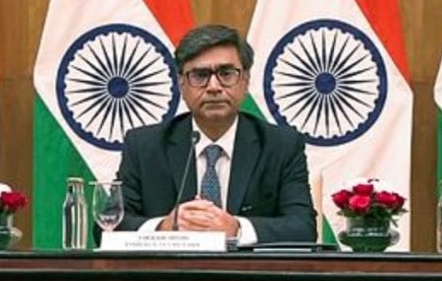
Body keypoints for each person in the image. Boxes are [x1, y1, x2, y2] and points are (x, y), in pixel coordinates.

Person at [116, 24, 317, 244]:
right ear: (182, 85)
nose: (213, 86)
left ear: (245, 81)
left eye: (226, 73)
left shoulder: (281, 145)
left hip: (250, 277)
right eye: (200, 75)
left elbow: (303, 228)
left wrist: (237, 228)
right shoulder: (144, 146)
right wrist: (164, 227)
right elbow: (109, 225)